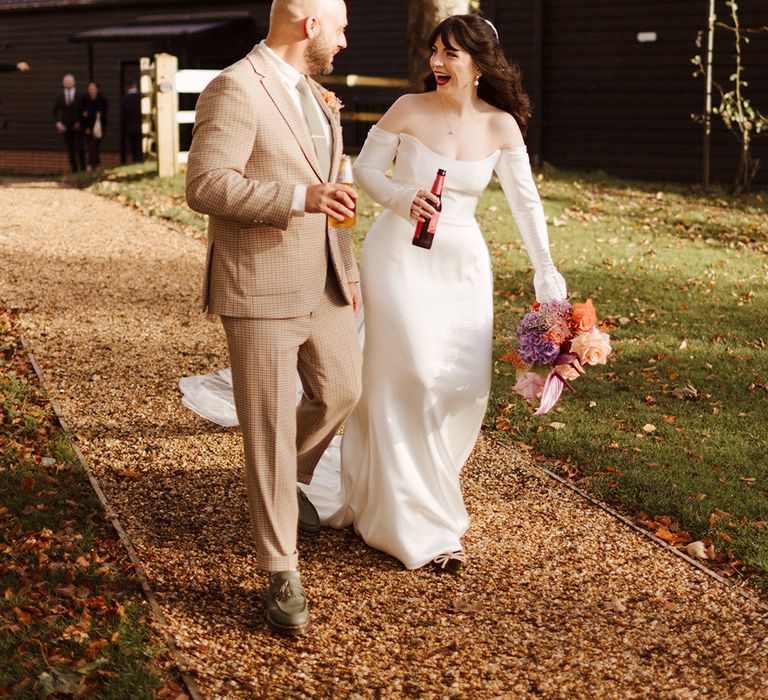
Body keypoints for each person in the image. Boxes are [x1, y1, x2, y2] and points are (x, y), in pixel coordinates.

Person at [180, 14, 566, 574]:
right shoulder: (407, 109)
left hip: (462, 267)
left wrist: (545, 270)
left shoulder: (503, 126)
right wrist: (404, 198)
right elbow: (364, 170)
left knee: (461, 390)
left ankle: (411, 489)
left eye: (451, 54)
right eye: (434, 50)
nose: (437, 62)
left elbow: (527, 205)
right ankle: (418, 522)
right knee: (404, 376)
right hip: (400, 258)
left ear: (479, 65)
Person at [184, 0, 361, 638]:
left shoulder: (317, 94)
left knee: (343, 390)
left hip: (328, 280)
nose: (346, 40)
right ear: (311, 25)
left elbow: (331, 188)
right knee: (266, 429)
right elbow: (204, 185)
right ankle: (281, 568)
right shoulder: (234, 87)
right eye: (340, 27)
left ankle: (286, 488)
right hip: (258, 284)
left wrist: (351, 272)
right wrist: (298, 197)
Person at [52, 73, 86, 173]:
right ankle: (74, 170)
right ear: (63, 83)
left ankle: (83, 170)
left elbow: (84, 110)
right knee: (70, 149)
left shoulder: (80, 96)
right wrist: (58, 123)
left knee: (80, 147)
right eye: (66, 82)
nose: (68, 83)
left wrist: (80, 122)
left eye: (70, 81)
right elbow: (54, 112)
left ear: (74, 83)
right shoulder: (60, 96)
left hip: (78, 126)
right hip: (65, 127)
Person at [80, 81, 108, 171]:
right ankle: (93, 165)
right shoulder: (85, 99)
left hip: (99, 127)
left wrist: (89, 114)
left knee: (96, 146)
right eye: (90, 89)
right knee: (91, 146)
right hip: (88, 127)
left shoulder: (102, 99)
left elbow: (103, 114)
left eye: (93, 88)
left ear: (97, 89)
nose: (91, 90)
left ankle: (92, 165)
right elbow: (82, 114)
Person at [121, 80, 143, 163]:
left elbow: (124, 115)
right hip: (140, 125)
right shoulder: (140, 98)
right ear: (135, 86)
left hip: (129, 126)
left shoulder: (124, 99)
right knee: (139, 145)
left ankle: (135, 160)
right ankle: (140, 159)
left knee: (133, 146)